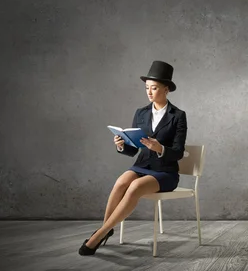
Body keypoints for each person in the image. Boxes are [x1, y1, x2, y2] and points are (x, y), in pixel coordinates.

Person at [79, 60, 188, 256]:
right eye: (147, 88)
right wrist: (122, 145)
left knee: (135, 187)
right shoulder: (141, 113)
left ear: (166, 89)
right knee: (121, 182)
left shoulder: (178, 115)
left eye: (154, 88)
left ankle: (98, 235)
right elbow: (133, 149)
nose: (149, 92)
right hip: (142, 165)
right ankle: (107, 228)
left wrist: (160, 147)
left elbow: (178, 152)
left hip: (165, 172)